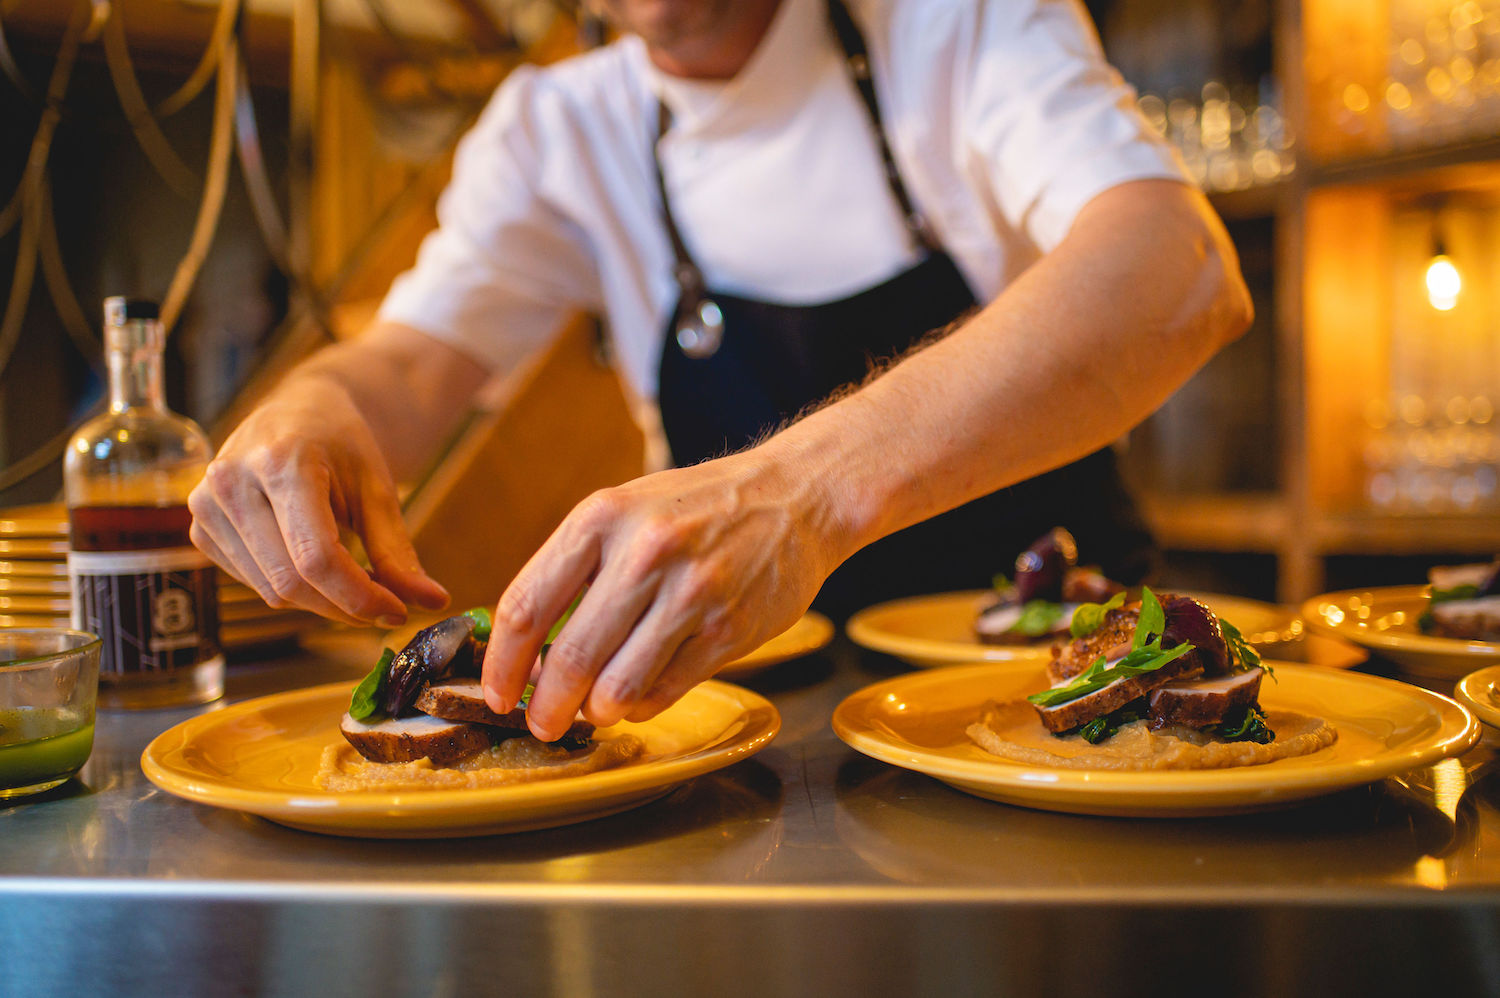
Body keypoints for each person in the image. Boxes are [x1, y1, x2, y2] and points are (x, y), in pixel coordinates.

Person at [188, 0, 1252, 744]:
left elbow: (1181, 268)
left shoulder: (958, 23)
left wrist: (800, 492)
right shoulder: (555, 126)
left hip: (1081, 702)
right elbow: (409, 364)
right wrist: (311, 403)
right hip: (740, 728)